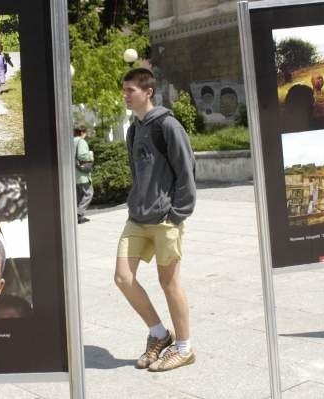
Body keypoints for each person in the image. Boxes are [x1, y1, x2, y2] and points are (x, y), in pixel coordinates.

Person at [115, 68, 197, 372]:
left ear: (148, 92)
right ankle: (159, 334)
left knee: (169, 283)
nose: (125, 95)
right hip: (137, 217)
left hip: (165, 219)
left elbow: (187, 171)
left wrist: (177, 214)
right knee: (123, 277)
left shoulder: (167, 125)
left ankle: (185, 348)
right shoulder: (133, 130)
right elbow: (138, 175)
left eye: (130, 90)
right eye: (124, 89)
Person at [73, 125, 94, 224]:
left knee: (78, 195)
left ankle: (76, 215)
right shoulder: (81, 141)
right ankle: (79, 214)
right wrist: (90, 154)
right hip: (82, 174)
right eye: (85, 132)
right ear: (82, 132)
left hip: (74, 174)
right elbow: (82, 155)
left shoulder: (71, 141)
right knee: (89, 193)